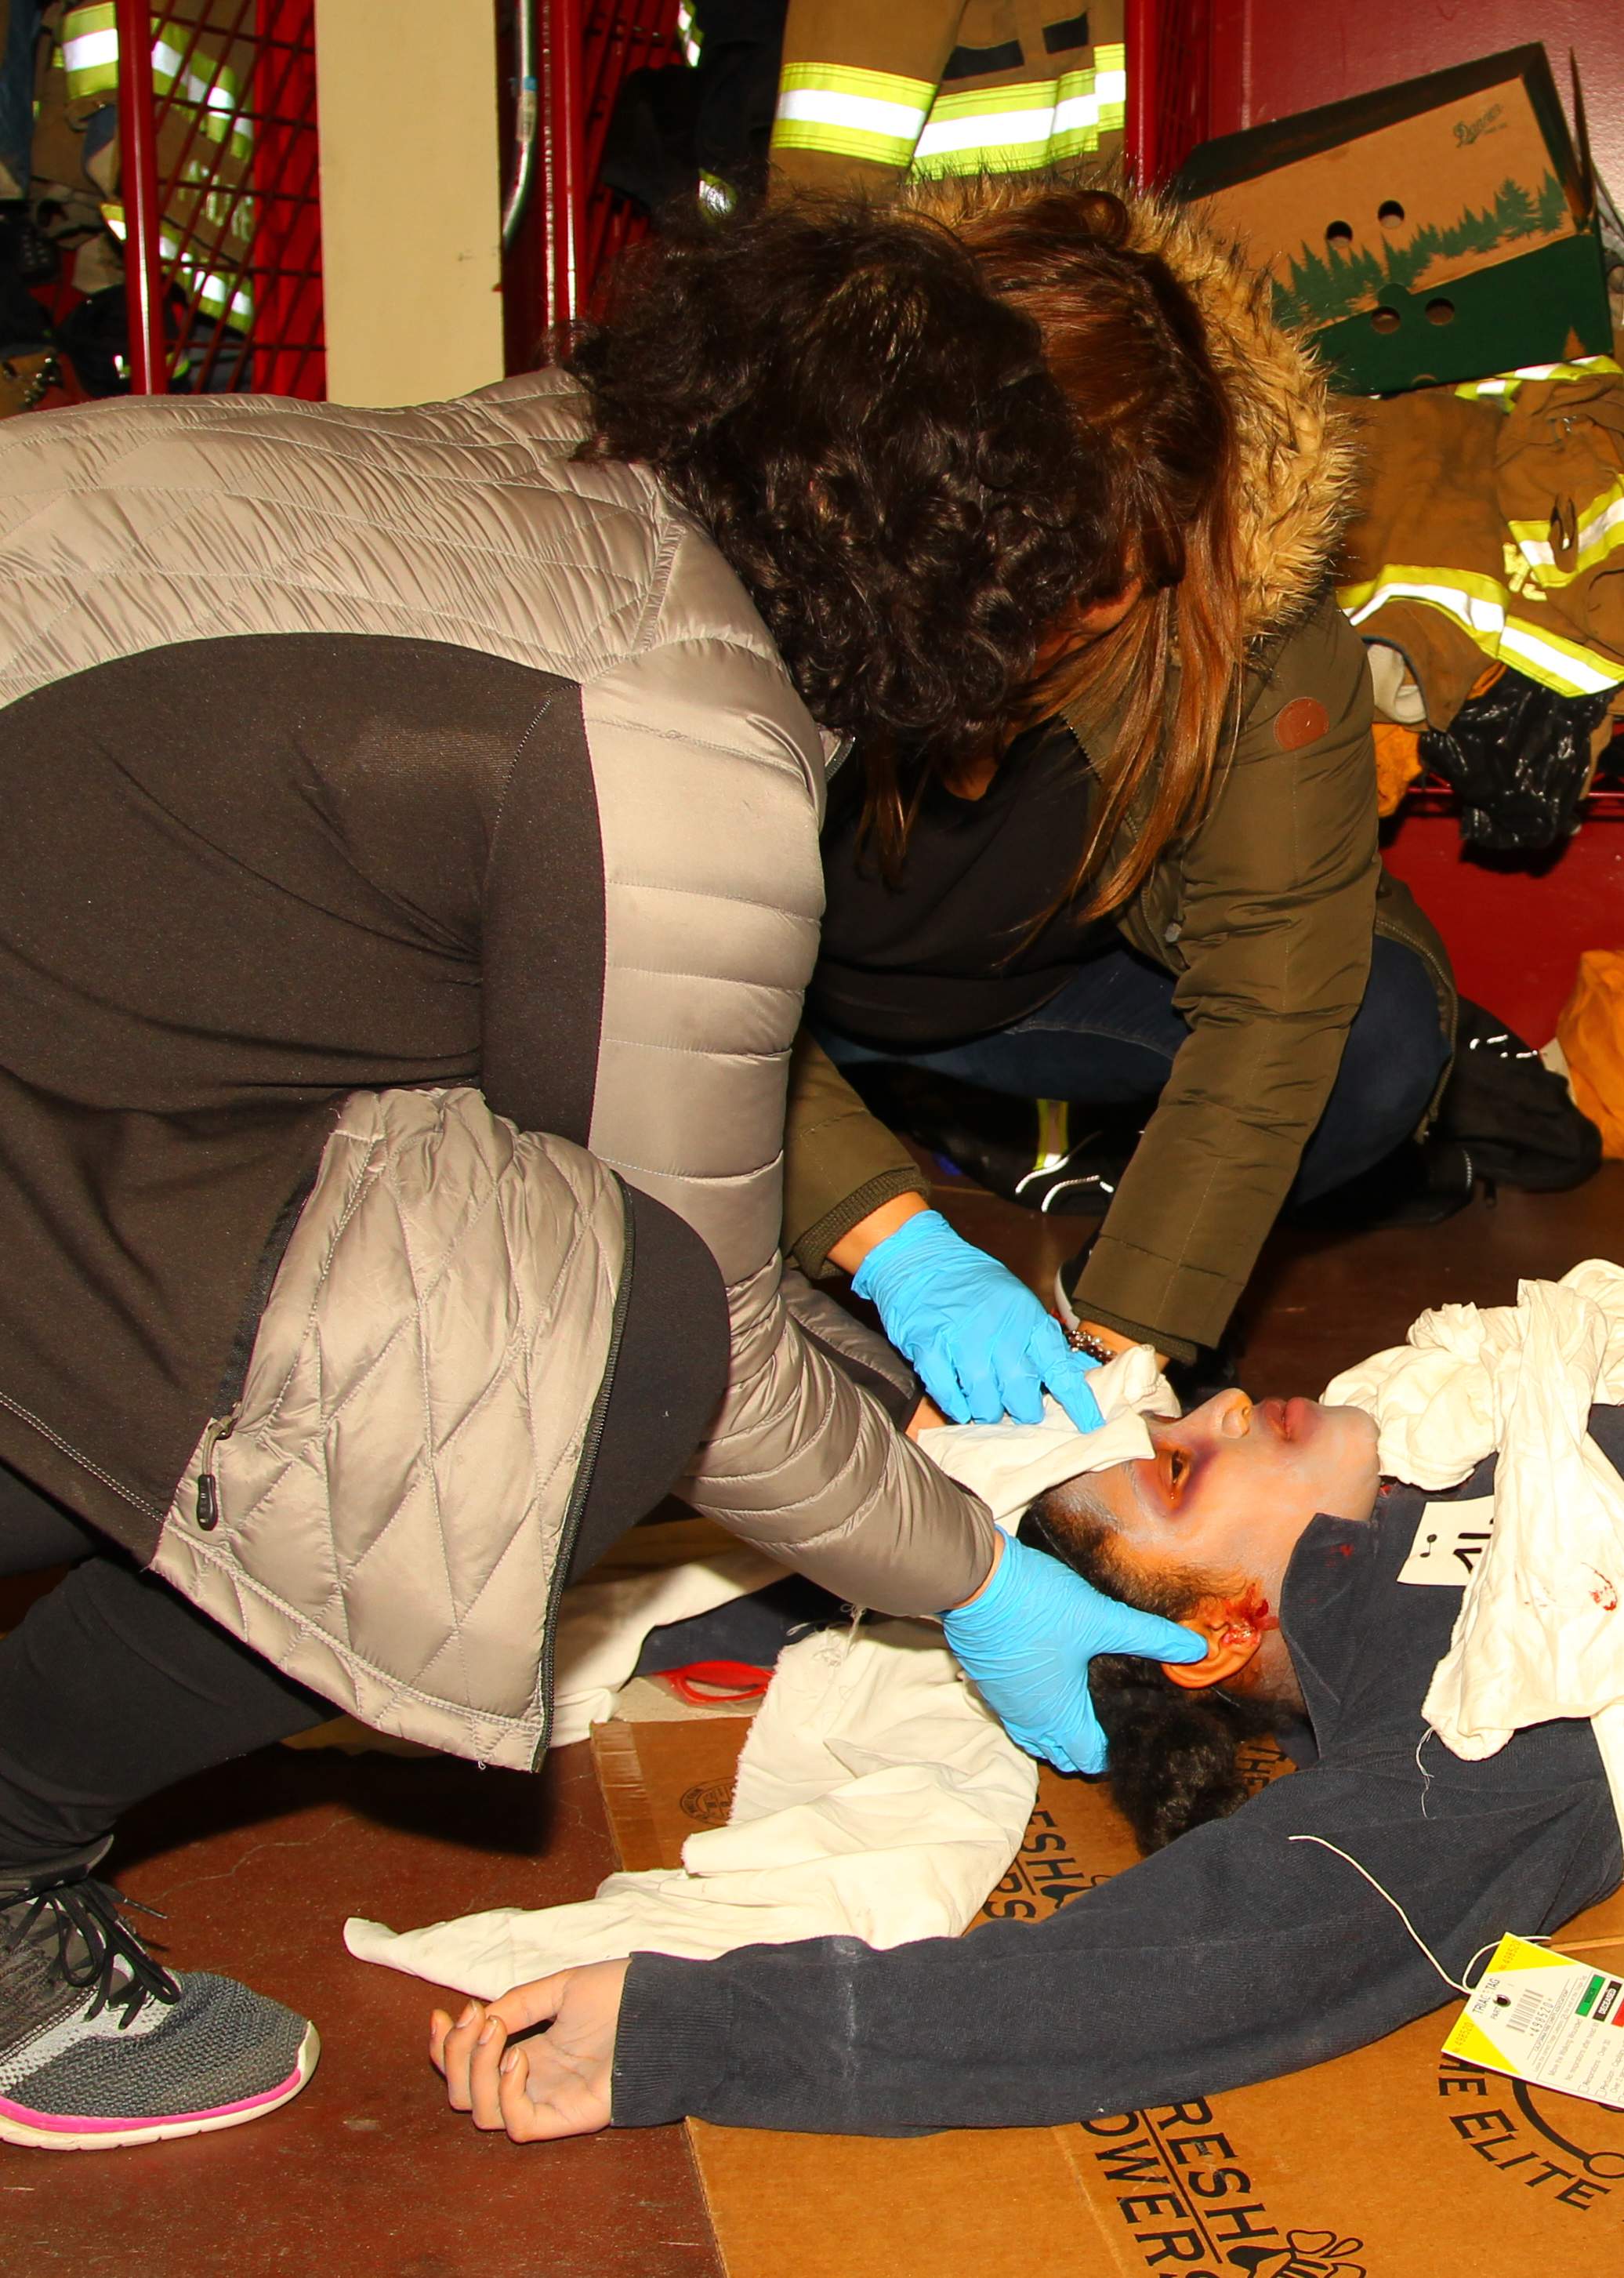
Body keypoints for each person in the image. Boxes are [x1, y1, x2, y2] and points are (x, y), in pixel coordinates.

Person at [0, 198, 1203, 2153]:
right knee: (596, 1364)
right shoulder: (683, 736)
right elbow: (694, 1341)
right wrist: (975, 1574)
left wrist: (872, 1326)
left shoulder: (572, 448)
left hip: (65, 1018)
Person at [430, 1383, 1623, 2140]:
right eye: (1178, 1469)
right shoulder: (1479, 1716)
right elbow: (1167, 1974)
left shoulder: (1463, 1406)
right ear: (1220, 1631)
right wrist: (686, 2026)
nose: (1225, 1403)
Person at [778, 175, 1456, 1382]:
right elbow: (640, 975)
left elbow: (1275, 1002)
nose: (1047, 628)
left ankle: (1082, 1182)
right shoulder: (761, 555)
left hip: (1045, 992)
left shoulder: (1243, 603)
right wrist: (887, 1239)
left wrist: (1120, 1347)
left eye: (1097, 584)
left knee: (1379, 1032)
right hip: (782, 999)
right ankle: (906, 1145)